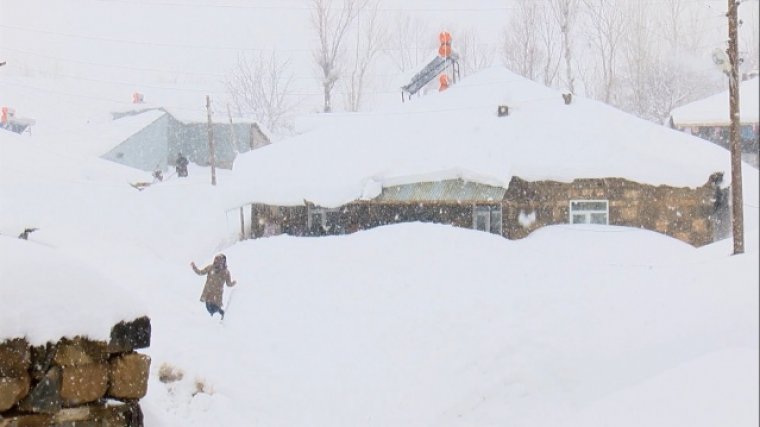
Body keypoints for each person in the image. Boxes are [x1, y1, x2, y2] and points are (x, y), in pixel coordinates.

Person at [191, 254, 236, 319]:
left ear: (223, 262)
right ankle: (218, 317)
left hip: (217, 295)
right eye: (216, 260)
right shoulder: (210, 268)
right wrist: (194, 267)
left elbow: (228, 283)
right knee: (210, 309)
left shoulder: (225, 272)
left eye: (218, 260)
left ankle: (222, 316)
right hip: (209, 293)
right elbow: (200, 272)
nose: (216, 262)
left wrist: (233, 283)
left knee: (213, 309)